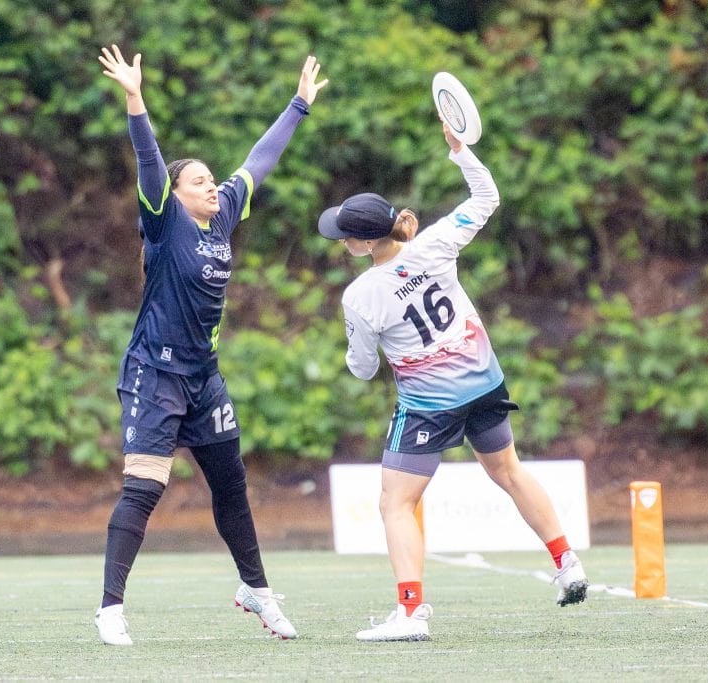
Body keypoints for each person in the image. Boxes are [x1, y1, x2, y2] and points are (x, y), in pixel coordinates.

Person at [317, 121, 589, 642]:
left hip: (428, 405)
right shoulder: (435, 242)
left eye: (343, 235)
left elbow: (364, 369)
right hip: (483, 381)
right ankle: (568, 562)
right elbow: (487, 195)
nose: (340, 241)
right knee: (508, 471)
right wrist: (460, 150)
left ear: (362, 241)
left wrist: (359, 342)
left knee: (394, 504)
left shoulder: (360, 295)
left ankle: (412, 613)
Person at [94, 44, 328, 645]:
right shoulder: (163, 220)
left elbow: (261, 158)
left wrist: (298, 105)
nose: (211, 187)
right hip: (155, 373)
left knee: (231, 486)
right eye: (199, 181)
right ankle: (110, 609)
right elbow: (149, 161)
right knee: (144, 488)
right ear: (175, 195)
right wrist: (135, 97)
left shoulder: (221, 216)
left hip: (204, 377)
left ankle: (255, 589)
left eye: (210, 181)